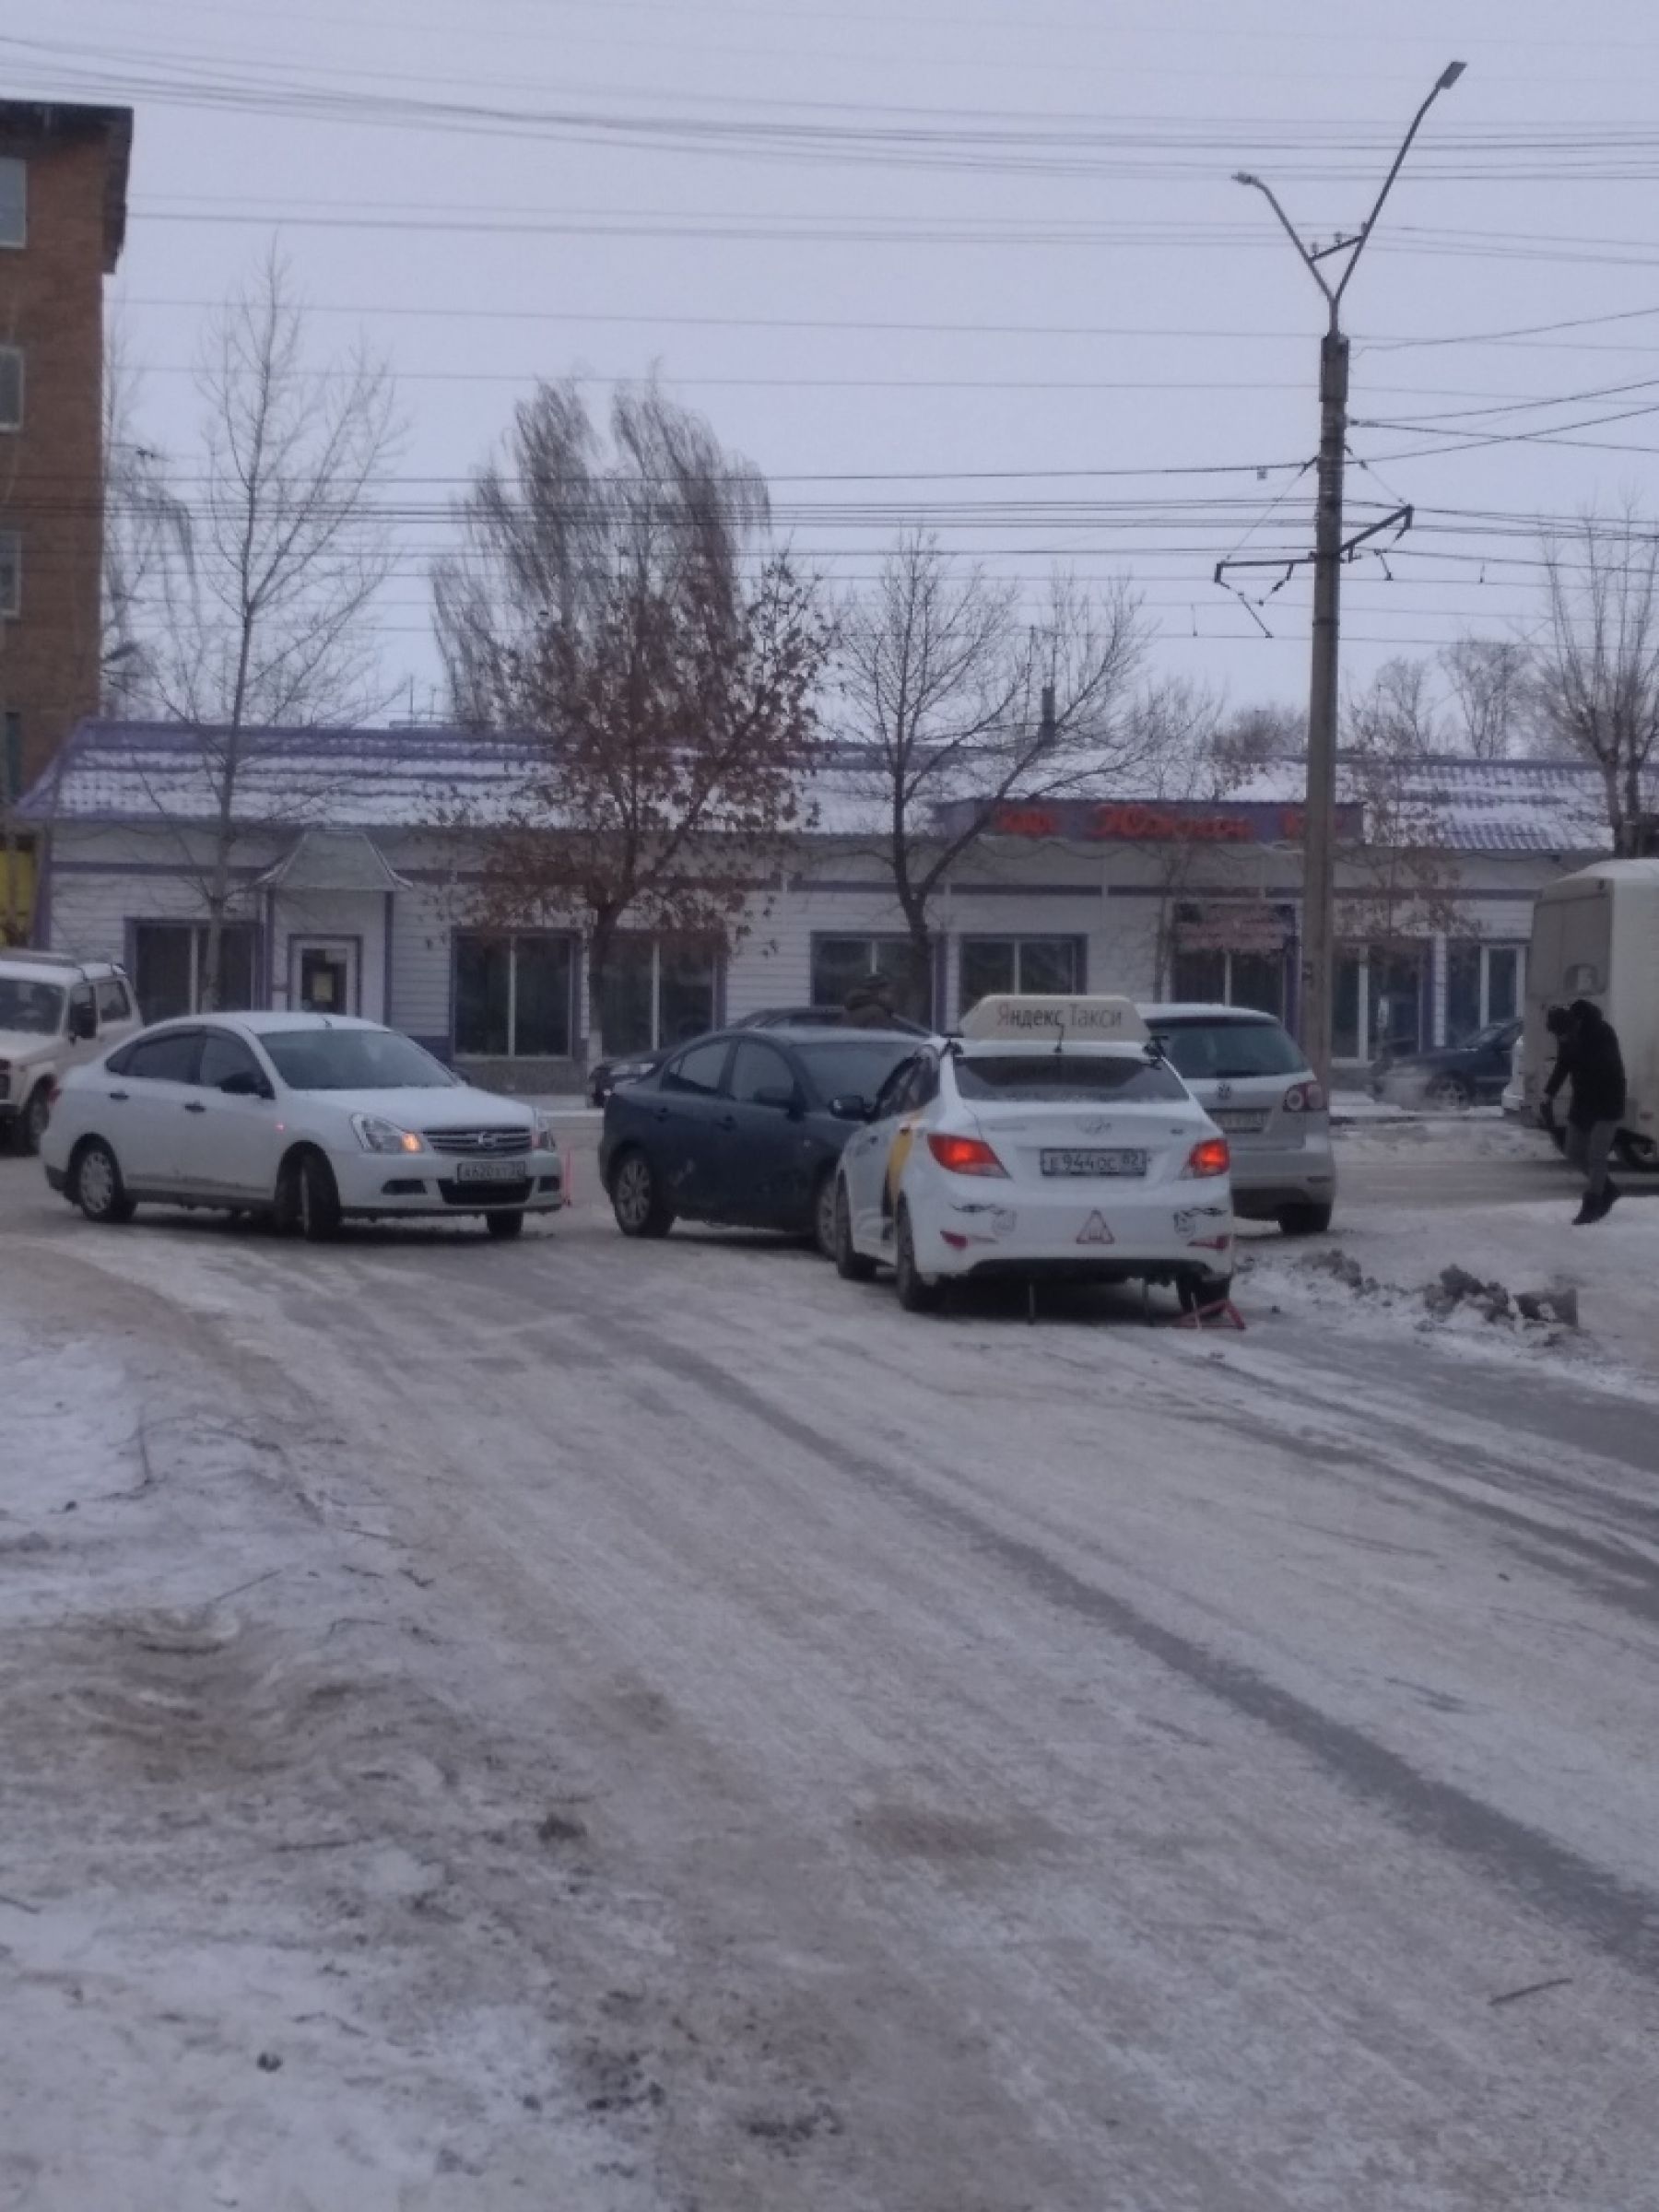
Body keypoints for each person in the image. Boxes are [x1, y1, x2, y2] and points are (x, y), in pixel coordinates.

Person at [1542, 998, 1627, 1225]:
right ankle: (1608, 1190)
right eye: (1558, 1036)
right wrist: (1548, 1093)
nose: (1561, 1039)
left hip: (1607, 1102)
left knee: (1596, 1156)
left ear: (1575, 1024)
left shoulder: (1602, 1033)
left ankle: (1591, 1206)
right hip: (1582, 1102)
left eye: (1562, 1034)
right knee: (1573, 1151)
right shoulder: (1568, 1036)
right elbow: (1563, 1065)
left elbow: (1606, 1069)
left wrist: (1579, 1053)